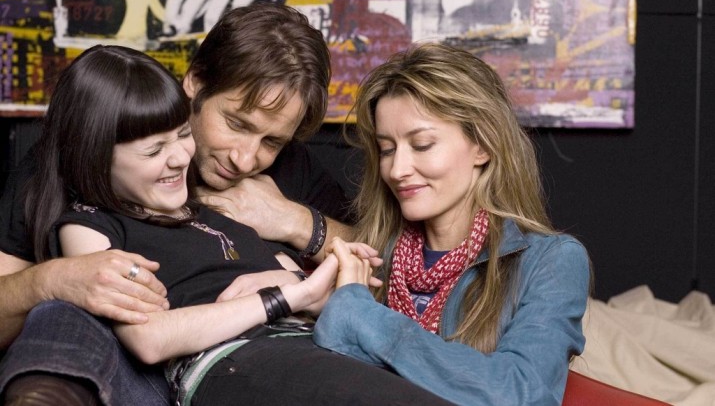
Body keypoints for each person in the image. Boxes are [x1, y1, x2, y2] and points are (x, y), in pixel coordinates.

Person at [3, 45, 455, 406]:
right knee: (57, 312)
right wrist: (52, 279)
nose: (244, 159)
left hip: (306, 345)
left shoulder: (240, 201)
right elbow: (148, 337)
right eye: (236, 124)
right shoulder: (83, 211)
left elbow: (367, 278)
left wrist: (306, 243)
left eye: (182, 136)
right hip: (216, 362)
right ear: (194, 89)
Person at [311, 43, 591, 405]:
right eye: (387, 149)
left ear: (483, 146)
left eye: (422, 145)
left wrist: (360, 315)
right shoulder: (374, 257)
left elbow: (521, 394)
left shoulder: (551, 261)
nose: (397, 170)